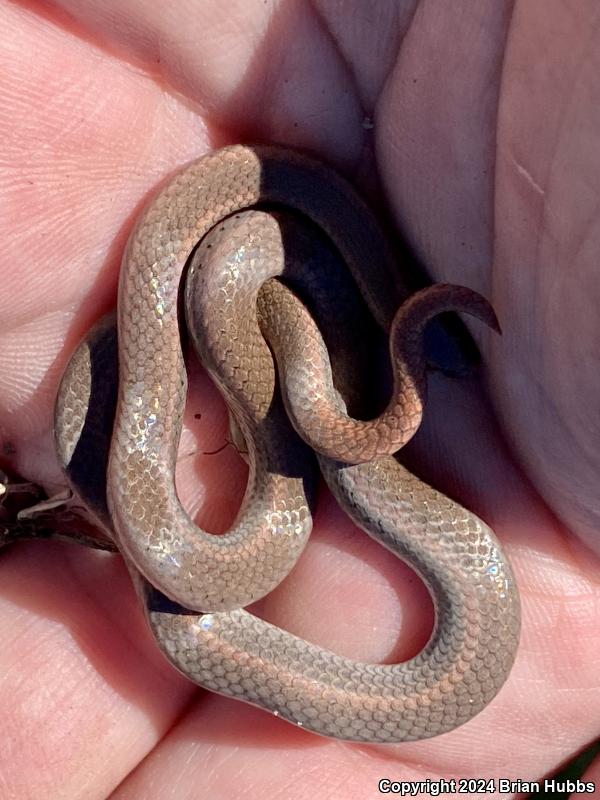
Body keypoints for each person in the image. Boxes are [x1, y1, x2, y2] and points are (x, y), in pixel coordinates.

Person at [1, 2, 598, 797]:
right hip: (253, 307)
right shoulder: (268, 297)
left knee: (307, 448)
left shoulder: (313, 317)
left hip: (282, 308)